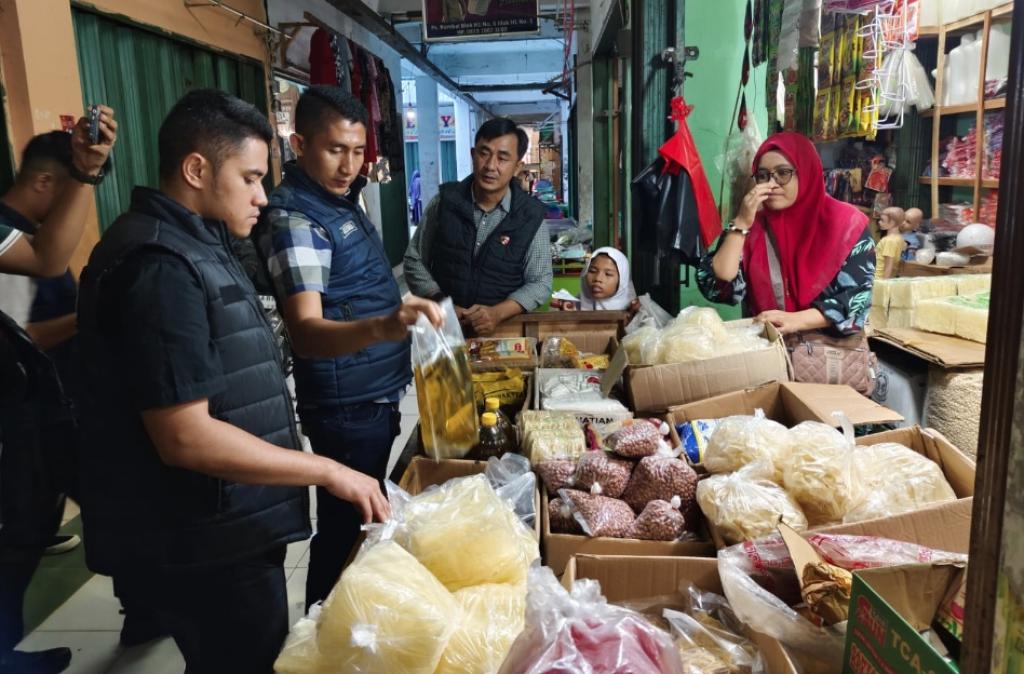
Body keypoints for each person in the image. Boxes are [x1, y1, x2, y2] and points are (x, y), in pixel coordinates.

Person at [74, 90, 394, 674]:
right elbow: (186, 437)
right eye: (249, 177)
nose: (262, 195)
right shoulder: (160, 265)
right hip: (204, 537)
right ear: (197, 169)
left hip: (223, 523)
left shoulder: (199, 243)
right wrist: (329, 469)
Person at [255, 86, 441, 611]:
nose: (349, 164)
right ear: (299, 144)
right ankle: (321, 633)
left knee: (358, 520)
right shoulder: (296, 219)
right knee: (342, 529)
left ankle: (346, 626)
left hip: (370, 392)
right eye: (336, 149)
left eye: (358, 152)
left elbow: (352, 288)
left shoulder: (338, 199)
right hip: (345, 403)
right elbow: (308, 331)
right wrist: (385, 326)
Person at [0, 109, 117, 674]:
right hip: (21, 423)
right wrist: (90, 315)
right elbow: (23, 338)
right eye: (69, 190)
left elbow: (49, 261)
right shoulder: (10, 241)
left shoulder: (22, 239)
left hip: (50, 414)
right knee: (17, 538)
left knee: (66, 515)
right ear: (46, 181)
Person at [697, 132, 875, 337]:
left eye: (783, 173)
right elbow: (717, 287)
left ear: (807, 172)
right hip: (769, 351)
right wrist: (740, 224)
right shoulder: (751, 226)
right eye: (763, 176)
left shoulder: (847, 224)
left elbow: (856, 300)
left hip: (826, 357)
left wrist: (795, 320)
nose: (771, 184)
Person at [404, 117, 553, 336]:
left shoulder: (530, 216)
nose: (491, 165)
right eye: (484, 153)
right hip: (442, 332)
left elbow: (540, 282)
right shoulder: (445, 203)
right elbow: (414, 259)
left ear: (517, 167)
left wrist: (497, 313)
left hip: (502, 334)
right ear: (473, 155)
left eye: (503, 158)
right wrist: (442, 304)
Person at [579, 247, 637, 311]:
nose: (598, 279)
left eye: (608, 274)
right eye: (593, 271)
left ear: (622, 280)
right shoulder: (573, 305)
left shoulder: (637, 313)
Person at [876, 207, 907, 280]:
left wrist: (884, 285)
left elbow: (889, 265)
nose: (879, 222)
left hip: (878, 278)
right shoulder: (900, 238)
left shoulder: (889, 241)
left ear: (892, 222)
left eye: (882, 220)